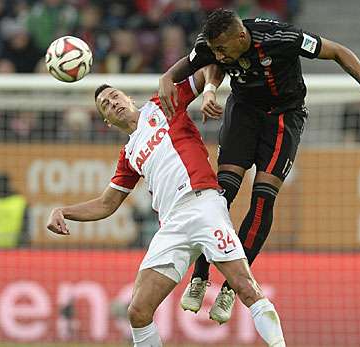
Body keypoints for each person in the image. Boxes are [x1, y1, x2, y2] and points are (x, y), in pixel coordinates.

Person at [158, 8, 360, 324]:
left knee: (263, 197)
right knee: (221, 194)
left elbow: (338, 51)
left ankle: (231, 288)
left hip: (283, 116)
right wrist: (169, 78)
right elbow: (203, 63)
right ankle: (199, 277)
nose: (220, 54)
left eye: (224, 48)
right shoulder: (214, 44)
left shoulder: (282, 38)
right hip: (244, 112)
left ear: (241, 36)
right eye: (215, 49)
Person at [46, 66, 286, 347]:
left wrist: (209, 90)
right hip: (172, 226)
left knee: (245, 287)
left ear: (129, 98)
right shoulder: (129, 155)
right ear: (107, 122)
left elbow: (208, 66)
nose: (113, 104)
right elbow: (106, 204)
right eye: (106, 106)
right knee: (137, 311)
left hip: (204, 206)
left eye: (114, 97)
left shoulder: (161, 104)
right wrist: (63, 211)